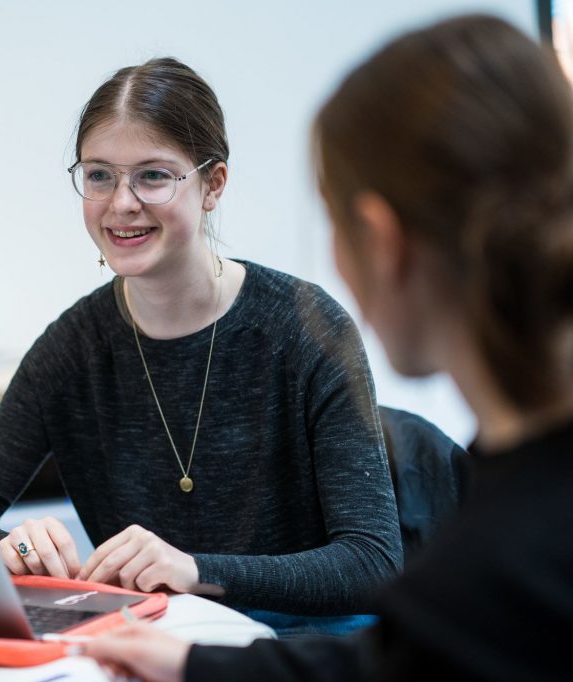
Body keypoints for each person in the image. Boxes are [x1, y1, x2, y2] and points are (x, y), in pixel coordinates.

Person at [83, 14, 573, 680]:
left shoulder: (493, 566)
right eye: (100, 177)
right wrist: (196, 666)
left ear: (382, 241)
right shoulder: (516, 523)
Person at [0, 57, 402, 634]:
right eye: (99, 175)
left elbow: (372, 564)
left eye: (154, 175)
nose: (121, 203)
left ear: (213, 184)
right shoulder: (72, 347)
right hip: (152, 643)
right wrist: (9, 547)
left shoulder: (305, 326)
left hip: (300, 648)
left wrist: (196, 571)